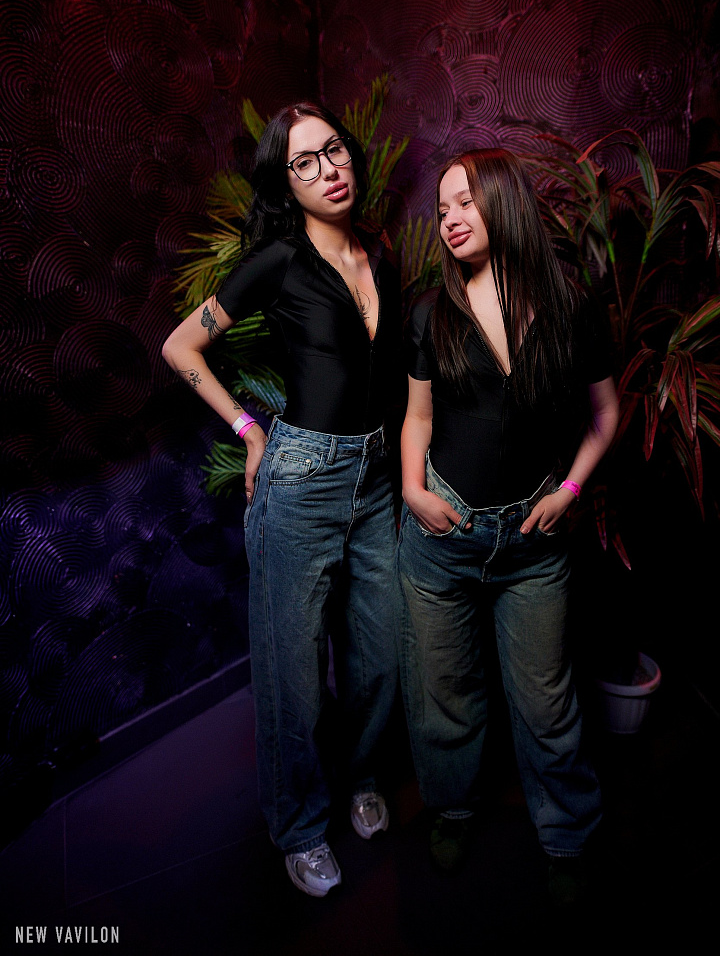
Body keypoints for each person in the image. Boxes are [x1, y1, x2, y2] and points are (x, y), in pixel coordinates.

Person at [162, 101, 403, 897]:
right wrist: (247, 429)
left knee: (377, 657)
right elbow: (180, 346)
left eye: (333, 150)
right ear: (286, 182)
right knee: (293, 676)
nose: (328, 169)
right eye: (305, 161)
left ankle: (362, 776)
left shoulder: (381, 255)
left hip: (375, 479)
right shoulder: (277, 261)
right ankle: (299, 825)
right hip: (302, 480)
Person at [397, 148, 619, 904]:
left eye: (465, 201)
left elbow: (605, 413)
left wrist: (572, 487)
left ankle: (567, 837)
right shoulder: (430, 311)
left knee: (547, 702)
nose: (449, 219)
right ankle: (452, 809)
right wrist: (411, 491)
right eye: (442, 209)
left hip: (533, 543)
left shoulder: (569, 307)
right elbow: (417, 418)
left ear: (505, 201)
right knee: (444, 693)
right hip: (442, 535)